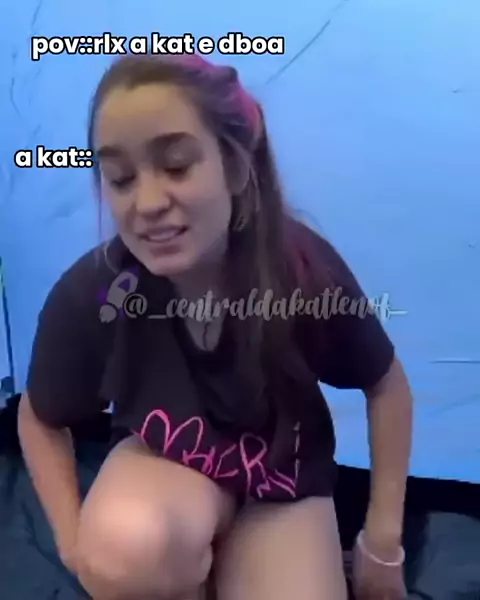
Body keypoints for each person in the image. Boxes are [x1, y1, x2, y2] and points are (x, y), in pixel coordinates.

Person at [17, 53, 412, 600]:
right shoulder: (100, 293)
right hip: (169, 477)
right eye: (121, 179)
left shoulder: (302, 272)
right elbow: (38, 417)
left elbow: (386, 387)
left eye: (177, 166)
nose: (148, 203)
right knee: (123, 547)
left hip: (282, 488)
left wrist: (382, 543)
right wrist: (74, 547)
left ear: (235, 166)